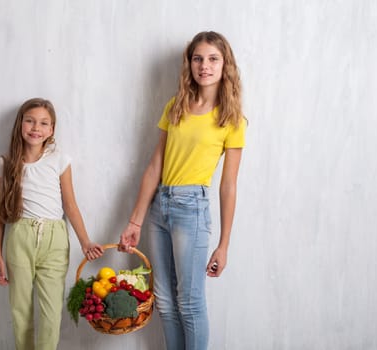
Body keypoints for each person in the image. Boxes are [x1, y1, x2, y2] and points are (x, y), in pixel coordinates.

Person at [119, 31, 246, 350]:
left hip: (192, 209)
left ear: (224, 65)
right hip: (160, 206)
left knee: (189, 302)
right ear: (189, 63)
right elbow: (153, 167)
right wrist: (134, 221)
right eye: (198, 58)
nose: (204, 65)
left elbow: (229, 185)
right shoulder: (175, 106)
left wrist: (224, 244)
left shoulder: (231, 119)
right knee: (164, 300)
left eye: (213, 59)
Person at [0, 98, 104, 350]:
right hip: (19, 237)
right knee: (21, 310)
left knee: (51, 312)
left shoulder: (59, 161)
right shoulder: (6, 164)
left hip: (54, 239)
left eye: (44, 123)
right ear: (20, 123)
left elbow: (70, 206)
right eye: (30, 120)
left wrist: (85, 241)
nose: (35, 127)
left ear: (51, 130)